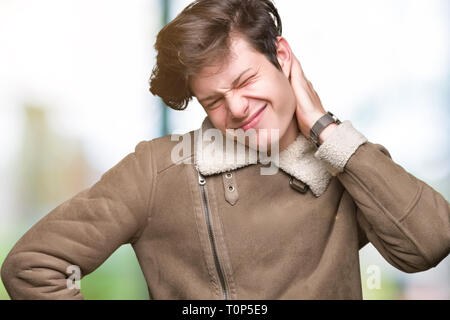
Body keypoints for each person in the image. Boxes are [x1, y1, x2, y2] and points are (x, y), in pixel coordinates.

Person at [1, 0, 449, 300]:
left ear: (283, 57)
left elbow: (429, 244)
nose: (235, 108)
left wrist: (323, 127)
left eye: (245, 80)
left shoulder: (346, 161)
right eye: (213, 100)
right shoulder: (158, 170)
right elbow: (32, 265)